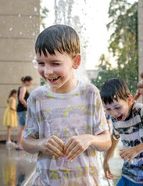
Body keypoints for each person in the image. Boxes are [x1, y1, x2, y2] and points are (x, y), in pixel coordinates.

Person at [22, 25, 111, 185]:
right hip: (47, 182)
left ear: (76, 62)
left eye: (55, 63)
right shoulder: (37, 97)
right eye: (41, 63)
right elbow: (27, 142)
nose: (47, 71)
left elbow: (106, 141)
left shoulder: (90, 93)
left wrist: (89, 139)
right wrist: (41, 143)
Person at [101, 78, 143, 186]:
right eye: (108, 109)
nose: (114, 113)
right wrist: (106, 160)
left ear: (129, 100)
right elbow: (115, 137)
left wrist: (135, 150)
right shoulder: (115, 117)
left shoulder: (139, 110)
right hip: (129, 173)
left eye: (117, 107)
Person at [16, 76, 33, 150]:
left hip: (21, 109)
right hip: (22, 109)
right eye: (30, 82)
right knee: (22, 128)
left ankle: (19, 144)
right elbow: (21, 98)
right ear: (27, 81)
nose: (30, 84)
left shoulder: (21, 87)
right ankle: (19, 144)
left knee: (22, 127)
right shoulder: (23, 88)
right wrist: (27, 106)